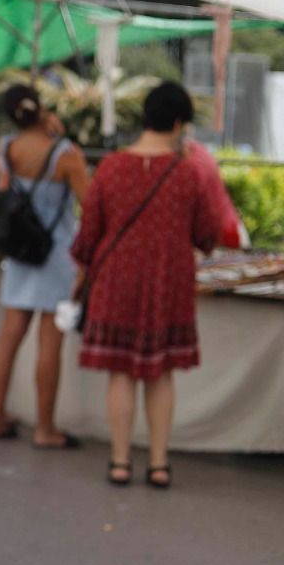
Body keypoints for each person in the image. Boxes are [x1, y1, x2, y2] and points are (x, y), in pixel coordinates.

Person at [71, 82, 218, 489]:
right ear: (176, 123)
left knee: (120, 372)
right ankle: (158, 463)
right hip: (167, 283)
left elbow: (87, 237)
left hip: (116, 280)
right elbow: (208, 232)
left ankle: (119, 462)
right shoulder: (190, 171)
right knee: (160, 373)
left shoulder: (111, 167)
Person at [0, 83, 90, 447]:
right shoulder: (66, 154)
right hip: (56, 256)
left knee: (8, 337)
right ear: (41, 109)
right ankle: (45, 429)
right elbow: (89, 205)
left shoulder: (8, 148)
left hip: (20, 253)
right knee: (49, 344)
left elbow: (2, 187)